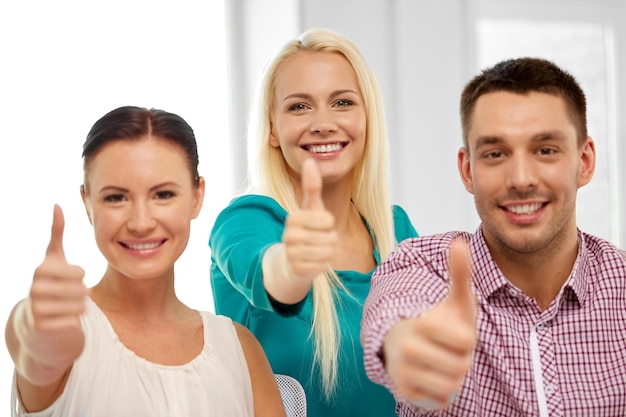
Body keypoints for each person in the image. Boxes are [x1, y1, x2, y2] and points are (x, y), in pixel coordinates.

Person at [361, 56, 626, 416]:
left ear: (585, 161)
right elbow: (396, 317)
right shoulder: (423, 265)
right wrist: (413, 353)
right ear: (468, 170)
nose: (520, 179)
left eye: (545, 150)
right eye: (495, 154)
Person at [5, 106, 286, 417]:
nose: (140, 222)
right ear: (87, 203)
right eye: (116, 197)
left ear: (197, 196)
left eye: (163, 194)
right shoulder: (62, 328)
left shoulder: (240, 350)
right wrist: (35, 325)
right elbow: (31, 340)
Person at [209, 28, 418, 417]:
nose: (323, 123)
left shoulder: (395, 228)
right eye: (299, 107)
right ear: (271, 128)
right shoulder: (244, 220)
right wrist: (293, 265)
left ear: (366, 118)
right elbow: (271, 275)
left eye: (342, 102)